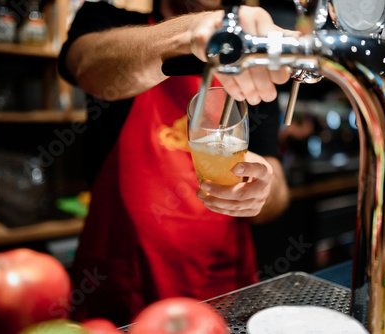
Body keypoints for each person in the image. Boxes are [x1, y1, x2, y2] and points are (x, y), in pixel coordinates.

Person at [58, 0, 292, 326]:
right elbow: (86, 64)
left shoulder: (246, 60)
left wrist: (261, 188)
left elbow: (277, 189)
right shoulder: (109, 20)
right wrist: (191, 32)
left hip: (220, 290)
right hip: (121, 284)